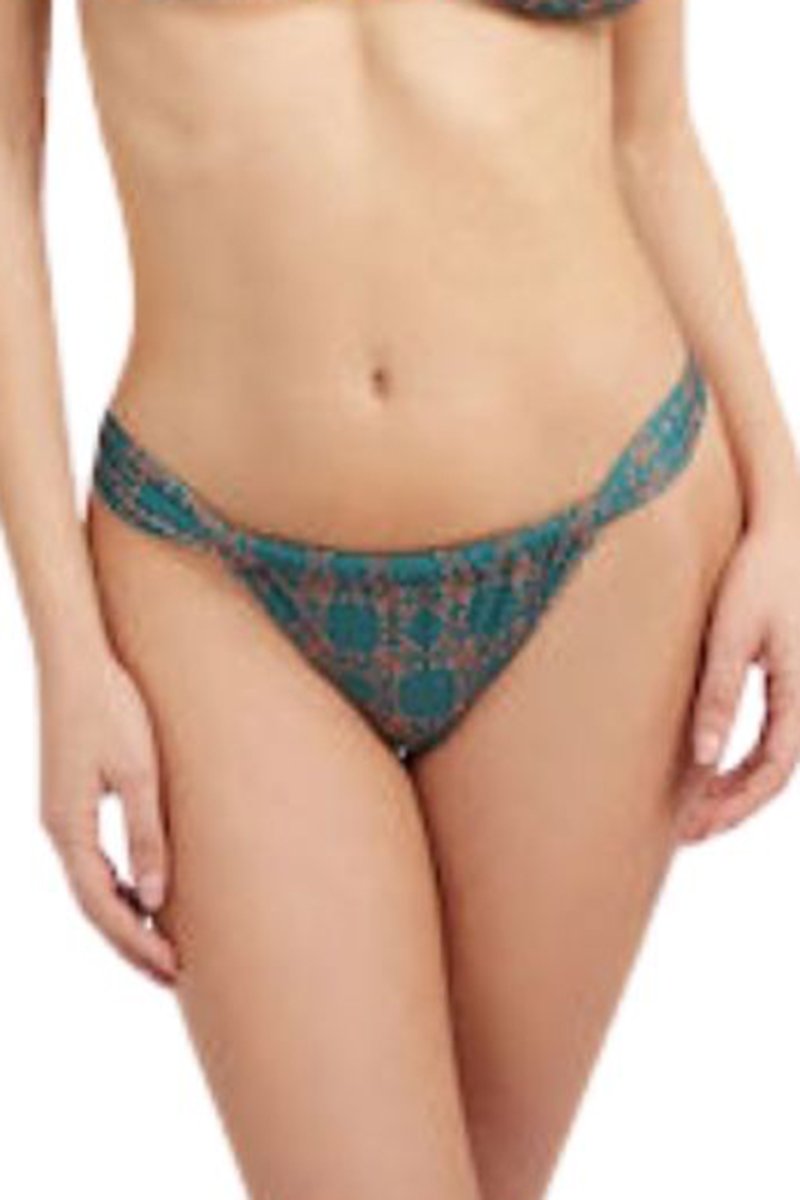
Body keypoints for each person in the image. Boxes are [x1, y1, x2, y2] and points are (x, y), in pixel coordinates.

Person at [1, 1, 799, 1197]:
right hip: (215, 581)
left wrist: (782, 507)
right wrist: (62, 646)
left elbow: (652, 139)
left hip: (604, 548)